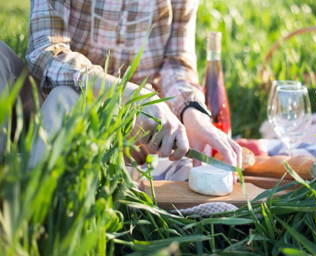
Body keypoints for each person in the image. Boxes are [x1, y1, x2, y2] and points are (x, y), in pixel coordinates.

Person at [0, 0, 242, 168]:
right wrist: (129, 95)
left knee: (66, 97)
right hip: (41, 103)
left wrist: (192, 113)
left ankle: (32, 213)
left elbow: (175, 63)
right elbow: (46, 52)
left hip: (129, 132)